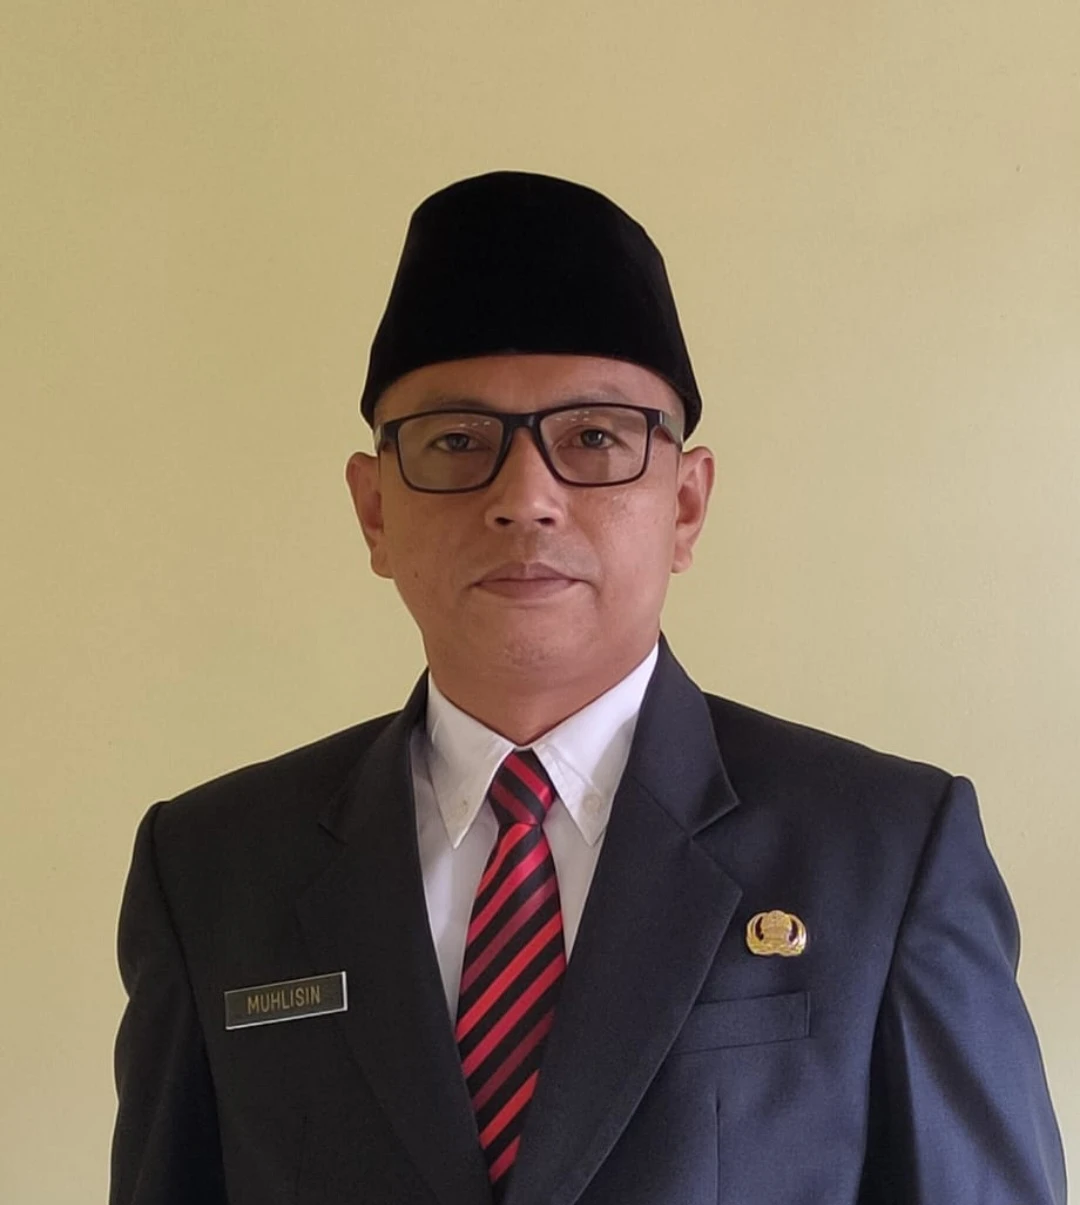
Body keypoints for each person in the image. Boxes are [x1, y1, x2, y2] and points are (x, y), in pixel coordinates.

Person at [110, 171, 1066, 1205]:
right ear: (374, 508)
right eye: (457, 442)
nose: (525, 499)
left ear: (685, 503)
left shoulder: (883, 852)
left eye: (596, 438)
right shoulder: (212, 870)